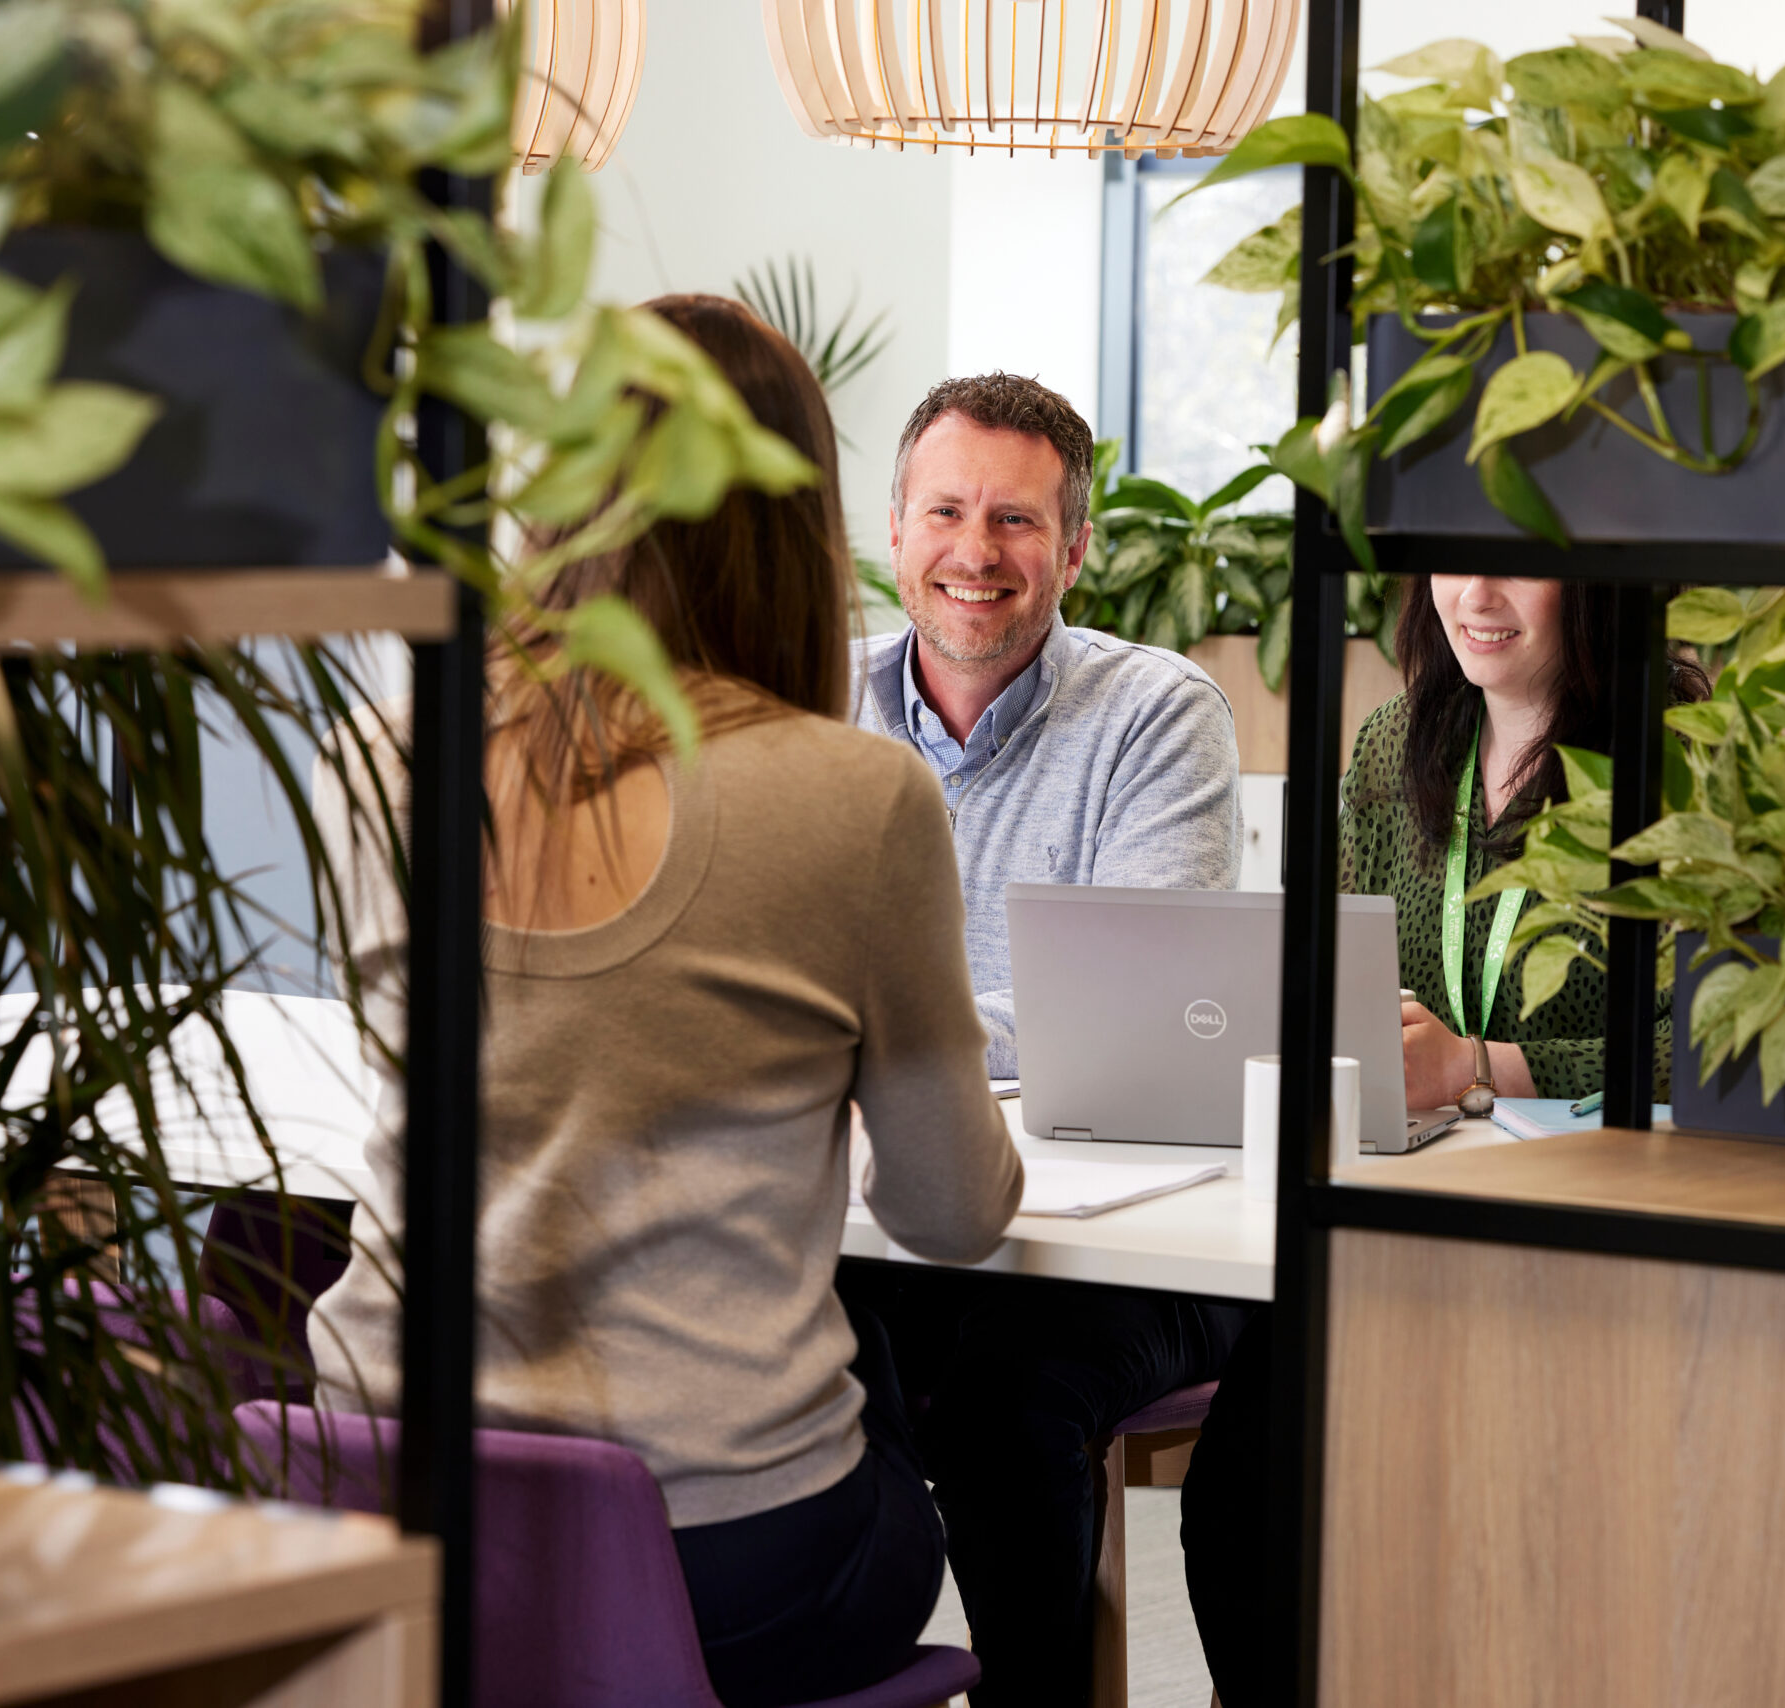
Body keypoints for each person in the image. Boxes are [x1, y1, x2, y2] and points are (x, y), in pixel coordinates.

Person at [307, 295, 1024, 1708]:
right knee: (897, 1397)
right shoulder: (857, 795)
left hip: (380, 1490)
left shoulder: (387, 744)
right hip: (716, 1549)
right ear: (799, 518)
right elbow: (952, 1214)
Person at [1179, 574, 1706, 1704]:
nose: (1474, 592)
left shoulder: (1682, 762)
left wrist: (1478, 1063)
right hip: (1390, 1208)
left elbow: (1703, 1047)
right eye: (1448, 556)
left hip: (1590, 1228)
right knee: (1244, 1487)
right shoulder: (1390, 745)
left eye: (1516, 561)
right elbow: (1324, 970)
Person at [842, 372, 1249, 1708]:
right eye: (946, 512)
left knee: (1003, 1389)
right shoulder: (815, 707)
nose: (975, 553)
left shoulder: (1155, 715)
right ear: (893, 528)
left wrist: (857, 1044)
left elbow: (1116, 1010)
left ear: (1075, 549)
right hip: (891, 1206)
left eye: (1015, 522)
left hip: (1121, 1238)